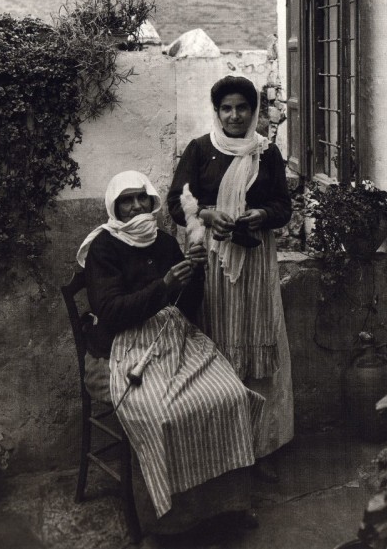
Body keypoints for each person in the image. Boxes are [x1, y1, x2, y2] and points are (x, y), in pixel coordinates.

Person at [77, 170, 264, 541]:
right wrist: (164, 287)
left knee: (228, 395)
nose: (135, 207)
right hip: (120, 350)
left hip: (172, 339)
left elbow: (187, 308)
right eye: (126, 200)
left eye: (140, 198)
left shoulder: (163, 242)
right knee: (160, 413)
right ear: (114, 207)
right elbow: (111, 311)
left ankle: (226, 506)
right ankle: (167, 523)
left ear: (151, 201)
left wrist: (194, 275)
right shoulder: (103, 248)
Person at [167, 75, 294, 483]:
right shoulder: (201, 150)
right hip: (214, 265)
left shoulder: (267, 152)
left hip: (256, 265)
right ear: (217, 111)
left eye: (242, 107)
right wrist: (205, 213)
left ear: (253, 110)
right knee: (218, 348)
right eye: (227, 108)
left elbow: (283, 207)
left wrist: (262, 216)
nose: (235, 115)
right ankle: (224, 447)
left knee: (261, 350)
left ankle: (264, 445)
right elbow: (174, 201)